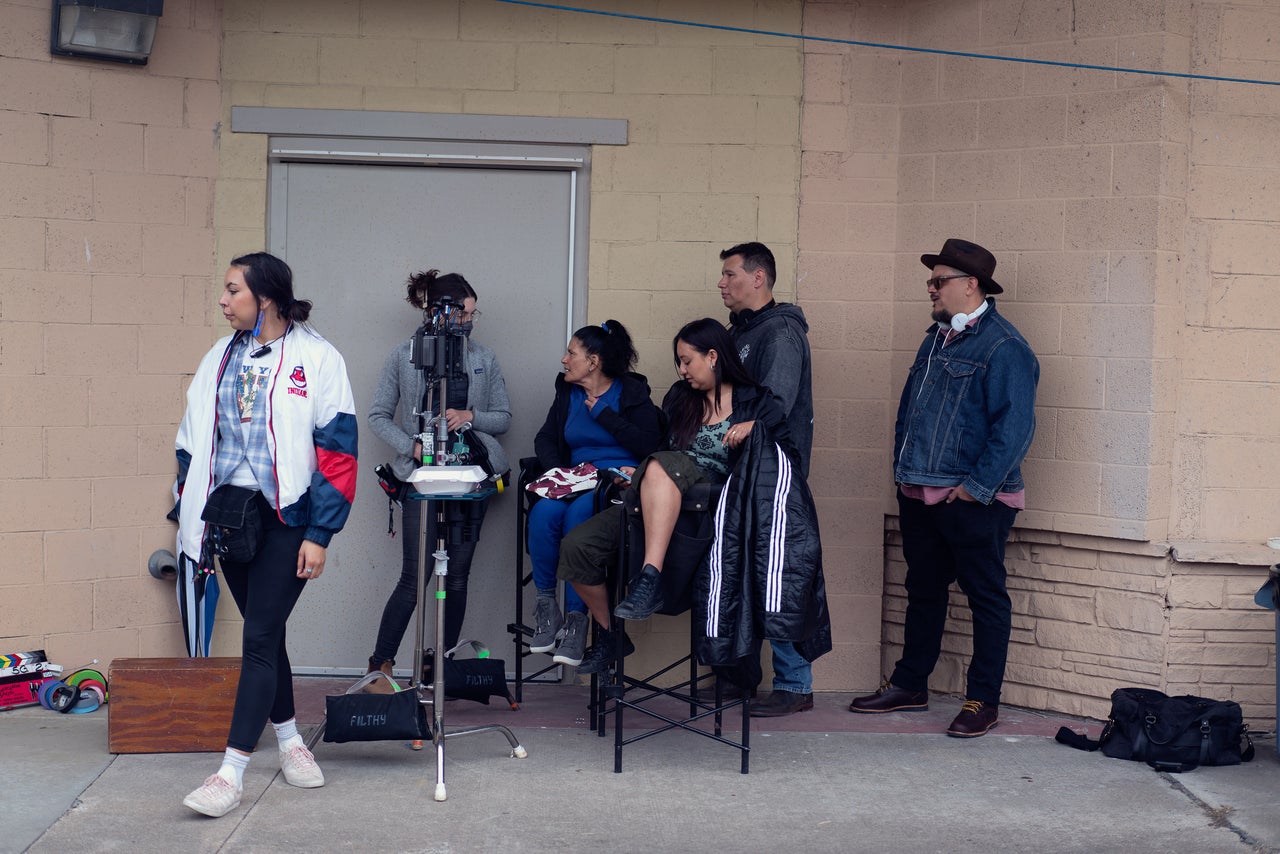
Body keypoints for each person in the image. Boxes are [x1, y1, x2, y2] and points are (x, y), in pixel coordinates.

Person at [173, 252, 358, 817]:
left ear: (266, 298)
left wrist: (320, 533)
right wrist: (192, 510)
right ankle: (291, 742)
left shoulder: (317, 358)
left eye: (232, 291)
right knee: (267, 634)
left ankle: (229, 774)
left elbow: (339, 450)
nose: (222, 301)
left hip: (289, 520)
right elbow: (189, 441)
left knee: (256, 639)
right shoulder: (218, 357)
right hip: (230, 517)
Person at [848, 238, 1039, 738]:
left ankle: (982, 700)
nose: (930, 289)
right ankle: (911, 685)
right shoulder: (936, 337)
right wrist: (902, 472)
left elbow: (1014, 430)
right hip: (919, 491)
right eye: (930, 281)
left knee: (986, 597)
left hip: (972, 498)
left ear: (970, 285)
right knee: (924, 590)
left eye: (939, 281)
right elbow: (911, 412)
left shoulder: (1004, 346)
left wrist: (974, 489)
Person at [556, 318, 795, 675]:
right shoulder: (681, 398)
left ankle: (649, 576)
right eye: (678, 362)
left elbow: (787, 459)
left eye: (687, 361)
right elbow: (659, 450)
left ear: (712, 356)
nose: (682, 370)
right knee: (578, 546)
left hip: (715, 509)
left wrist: (756, 430)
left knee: (666, 465)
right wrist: (637, 476)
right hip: (661, 497)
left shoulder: (755, 403)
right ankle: (611, 634)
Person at [364, 270, 511, 690]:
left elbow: (503, 417)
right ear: (440, 313)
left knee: (458, 576)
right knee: (415, 578)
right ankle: (381, 666)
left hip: (470, 478)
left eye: (472, 313)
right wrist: (410, 446)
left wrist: (470, 417)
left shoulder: (484, 358)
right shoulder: (403, 356)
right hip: (421, 479)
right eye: (466, 312)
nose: (470, 320)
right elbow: (377, 415)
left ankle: (439, 667)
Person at [717, 241, 816, 717]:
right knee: (741, 573)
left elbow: (775, 404)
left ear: (758, 277)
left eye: (730, 274)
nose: (722, 283)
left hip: (775, 474)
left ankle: (795, 686)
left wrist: (745, 427)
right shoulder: (742, 333)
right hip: (742, 471)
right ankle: (740, 679)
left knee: (778, 575)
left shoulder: (780, 333)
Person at [527, 320, 662, 666]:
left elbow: (650, 443)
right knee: (542, 513)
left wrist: (604, 416)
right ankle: (546, 607)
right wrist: (559, 471)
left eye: (571, 353)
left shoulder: (629, 393)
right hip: (575, 480)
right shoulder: (568, 395)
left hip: (614, 487)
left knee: (577, 516)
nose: (564, 360)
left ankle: (576, 619)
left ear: (594, 361)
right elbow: (544, 438)